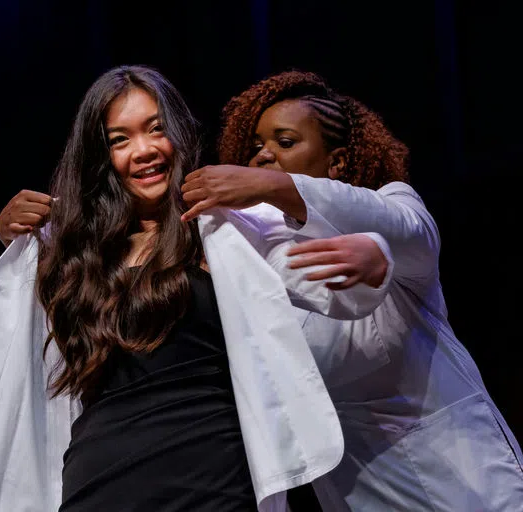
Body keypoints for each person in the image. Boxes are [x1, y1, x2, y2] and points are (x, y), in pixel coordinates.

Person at [0, 66, 394, 511]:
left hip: (214, 473)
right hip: (100, 479)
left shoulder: (226, 231)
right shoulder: (68, 254)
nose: (142, 150)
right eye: (119, 139)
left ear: (177, 131)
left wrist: (375, 255)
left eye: (154, 128)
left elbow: (333, 281)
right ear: (100, 155)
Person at [179, 69, 523, 510]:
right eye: (255, 148)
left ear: (336, 162)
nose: (263, 157)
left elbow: (406, 232)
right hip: (360, 494)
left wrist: (277, 186)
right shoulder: (255, 255)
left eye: (284, 143)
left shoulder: (393, 206)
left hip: (461, 483)